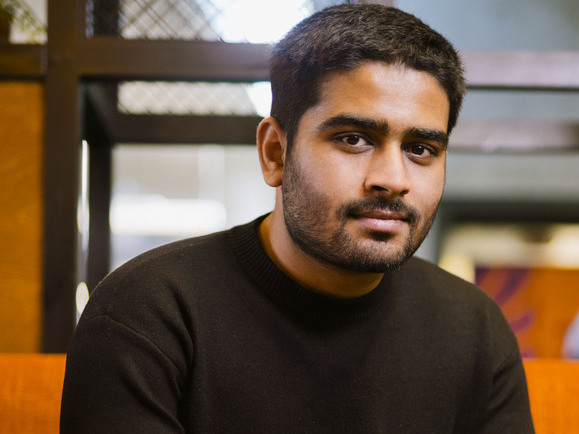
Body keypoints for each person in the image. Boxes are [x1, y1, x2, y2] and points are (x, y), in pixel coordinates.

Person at [60, 4, 535, 433]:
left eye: (420, 149)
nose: (393, 179)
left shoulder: (475, 329)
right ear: (275, 152)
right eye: (353, 139)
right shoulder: (150, 312)